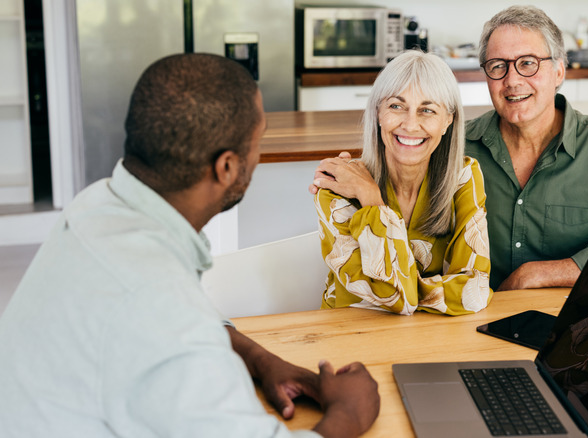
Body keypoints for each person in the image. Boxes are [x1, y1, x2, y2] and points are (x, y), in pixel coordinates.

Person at [0, 54, 379, 438]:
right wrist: (349, 412)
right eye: (258, 141)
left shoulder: (98, 205)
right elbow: (166, 317)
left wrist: (261, 359)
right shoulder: (164, 315)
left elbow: (174, 312)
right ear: (227, 167)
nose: (259, 155)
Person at [465, 5, 588, 291]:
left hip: (569, 321)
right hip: (473, 321)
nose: (511, 80)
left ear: (559, 71)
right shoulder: (457, 147)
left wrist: (534, 275)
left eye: (528, 63)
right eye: (498, 66)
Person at [310, 50, 492, 316]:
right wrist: (370, 195)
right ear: (378, 113)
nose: (410, 124)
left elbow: (475, 291)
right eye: (396, 106)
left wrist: (409, 290)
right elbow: (393, 296)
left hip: (432, 340)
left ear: (448, 121)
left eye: (427, 110)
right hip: (349, 337)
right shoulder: (337, 187)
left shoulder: (463, 176)